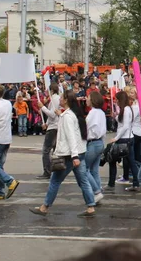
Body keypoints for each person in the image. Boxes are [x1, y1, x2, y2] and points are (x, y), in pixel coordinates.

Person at [30, 90, 96, 218]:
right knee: (83, 181)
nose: (59, 99)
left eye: (61, 98)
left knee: (55, 181)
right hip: (79, 151)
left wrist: (74, 156)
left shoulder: (67, 116)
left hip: (69, 155)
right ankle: (90, 206)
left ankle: (45, 207)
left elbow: (71, 137)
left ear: (66, 100)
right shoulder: (73, 114)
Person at [85, 91, 107, 204]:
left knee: (84, 169)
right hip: (100, 143)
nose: (86, 99)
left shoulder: (93, 113)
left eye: (88, 97)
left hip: (93, 142)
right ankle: (97, 192)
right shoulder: (101, 113)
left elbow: (90, 129)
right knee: (94, 170)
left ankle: (97, 191)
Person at [37, 83, 61, 179]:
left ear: (51, 90)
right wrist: (46, 123)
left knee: (46, 150)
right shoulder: (56, 99)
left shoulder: (55, 99)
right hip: (55, 126)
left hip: (53, 128)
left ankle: (47, 171)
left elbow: (52, 114)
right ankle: (56, 170)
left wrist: (42, 107)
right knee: (56, 150)